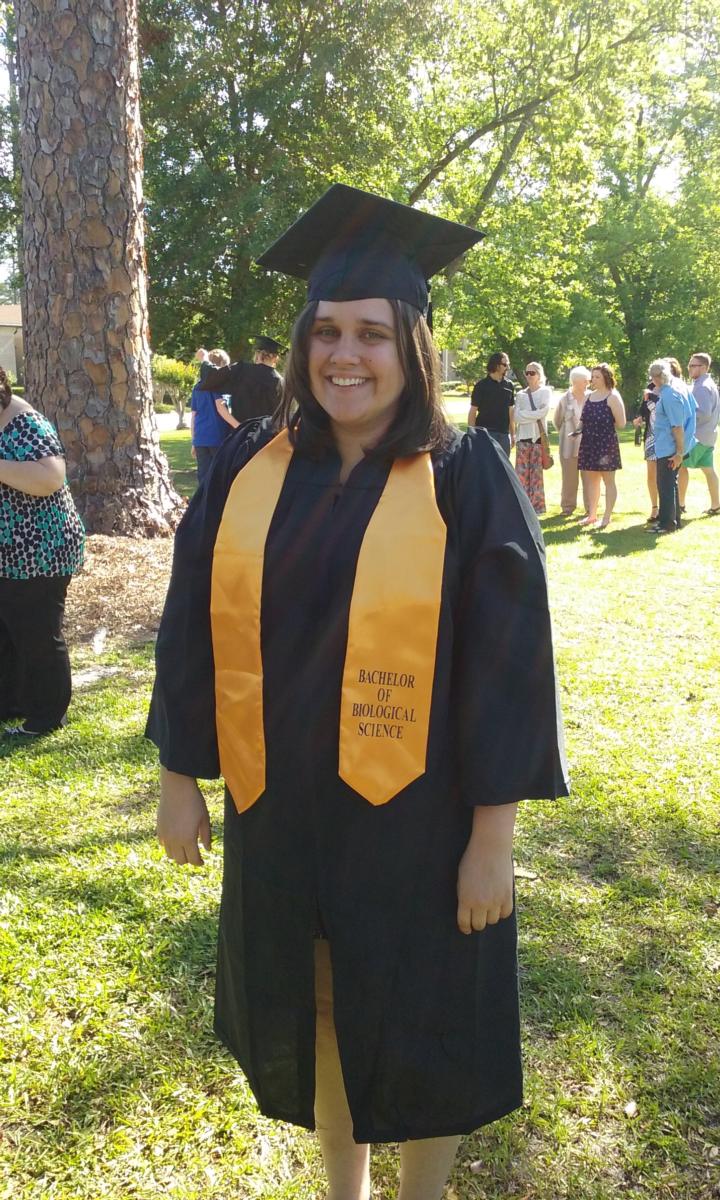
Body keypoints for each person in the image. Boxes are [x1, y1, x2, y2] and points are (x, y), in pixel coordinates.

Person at [147, 184, 569, 1200]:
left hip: (421, 818)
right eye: (327, 331)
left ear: (412, 346)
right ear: (302, 346)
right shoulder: (250, 470)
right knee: (326, 1013)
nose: (346, 355)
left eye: (372, 333)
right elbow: (192, 623)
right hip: (282, 809)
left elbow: (510, 665)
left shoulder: (466, 477)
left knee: (430, 1015)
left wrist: (493, 840)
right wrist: (178, 775)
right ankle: (347, 1191)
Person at [0, 366, 84, 737]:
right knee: (8, 633)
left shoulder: (25, 422)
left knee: (36, 634)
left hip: (41, 549)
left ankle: (48, 716)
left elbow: (50, 477)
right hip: (8, 552)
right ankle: (12, 704)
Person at [647, 358, 696, 535]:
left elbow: (677, 426)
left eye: (653, 377)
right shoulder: (676, 388)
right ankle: (673, 521)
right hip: (669, 446)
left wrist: (679, 453)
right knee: (669, 485)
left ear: (656, 377)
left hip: (669, 448)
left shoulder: (669, 394)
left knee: (665, 485)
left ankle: (666, 524)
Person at [577, 363, 626, 530]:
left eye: (597, 377)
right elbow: (583, 420)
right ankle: (592, 515)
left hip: (606, 445)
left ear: (606, 378)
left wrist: (603, 426)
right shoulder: (589, 397)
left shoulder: (613, 397)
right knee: (591, 481)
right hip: (589, 443)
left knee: (608, 481)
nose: (593, 380)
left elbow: (621, 423)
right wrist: (577, 430)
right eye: (593, 376)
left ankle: (606, 517)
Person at [198, 335, 284, 423]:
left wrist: (205, 360)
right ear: (275, 358)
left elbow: (213, 377)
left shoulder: (241, 370)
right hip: (269, 430)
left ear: (257, 354)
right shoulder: (281, 382)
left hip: (243, 429)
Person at [680, 352, 720, 516]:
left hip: (697, 437)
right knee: (709, 470)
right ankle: (716, 505)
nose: (689, 368)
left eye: (693, 366)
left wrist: (683, 414)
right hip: (708, 436)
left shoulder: (702, 386)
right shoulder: (707, 383)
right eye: (689, 365)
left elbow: (703, 413)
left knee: (680, 466)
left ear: (703, 367)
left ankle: (679, 505)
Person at [189, 349, 237, 485]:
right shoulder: (217, 385)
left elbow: (193, 416)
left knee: (204, 477)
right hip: (217, 436)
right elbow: (221, 409)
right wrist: (239, 426)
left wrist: (194, 441)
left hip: (201, 438)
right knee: (219, 477)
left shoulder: (197, 387)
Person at [513, 362, 552, 514]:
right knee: (521, 474)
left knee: (536, 475)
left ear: (539, 375)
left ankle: (537, 507)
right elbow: (516, 417)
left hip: (537, 438)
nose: (529, 376)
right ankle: (522, 507)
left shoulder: (545, 392)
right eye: (527, 373)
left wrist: (525, 414)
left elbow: (544, 412)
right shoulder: (521, 395)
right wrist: (532, 415)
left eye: (532, 373)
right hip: (523, 438)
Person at [553, 366, 590, 516]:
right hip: (568, 445)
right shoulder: (564, 399)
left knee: (589, 478)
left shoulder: (591, 397)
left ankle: (590, 508)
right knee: (569, 478)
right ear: (575, 382)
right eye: (585, 380)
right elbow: (557, 421)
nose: (588, 383)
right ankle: (568, 507)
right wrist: (566, 433)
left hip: (588, 445)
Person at [467, 352, 515, 455]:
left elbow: (510, 411)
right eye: (505, 365)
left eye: (508, 364)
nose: (508, 368)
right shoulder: (481, 386)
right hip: (485, 433)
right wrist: (472, 434)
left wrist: (513, 434)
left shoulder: (509, 385)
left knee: (503, 465)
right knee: (486, 464)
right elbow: (473, 411)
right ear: (496, 365)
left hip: (504, 435)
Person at [632, 379, 659, 524]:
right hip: (651, 437)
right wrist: (638, 418)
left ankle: (671, 507)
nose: (653, 378)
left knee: (666, 476)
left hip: (667, 438)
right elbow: (642, 411)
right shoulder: (650, 389)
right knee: (651, 475)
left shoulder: (672, 389)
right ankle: (655, 508)